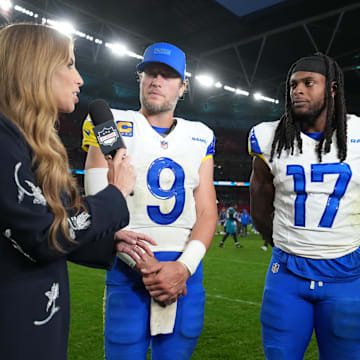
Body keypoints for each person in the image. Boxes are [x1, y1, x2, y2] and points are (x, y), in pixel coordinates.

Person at [0, 23, 156, 360]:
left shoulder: (26, 141)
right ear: (36, 68)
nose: (80, 79)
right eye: (70, 64)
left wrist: (105, 241)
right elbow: (41, 236)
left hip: (33, 319)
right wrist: (115, 194)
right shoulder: (3, 140)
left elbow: (37, 229)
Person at [82, 42, 218, 359]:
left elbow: (208, 211)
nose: (157, 81)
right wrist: (150, 269)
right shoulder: (110, 122)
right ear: (140, 78)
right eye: (150, 73)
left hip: (185, 272)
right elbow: (99, 203)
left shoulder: (201, 134)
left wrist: (182, 268)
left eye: (168, 76)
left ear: (183, 86)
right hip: (128, 270)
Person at [249, 52, 360, 359]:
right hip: (287, 273)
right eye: (293, 84)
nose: (297, 90)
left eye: (308, 83)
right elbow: (259, 205)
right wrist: (283, 242)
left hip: (347, 274)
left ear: (333, 89)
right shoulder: (269, 136)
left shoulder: (358, 134)